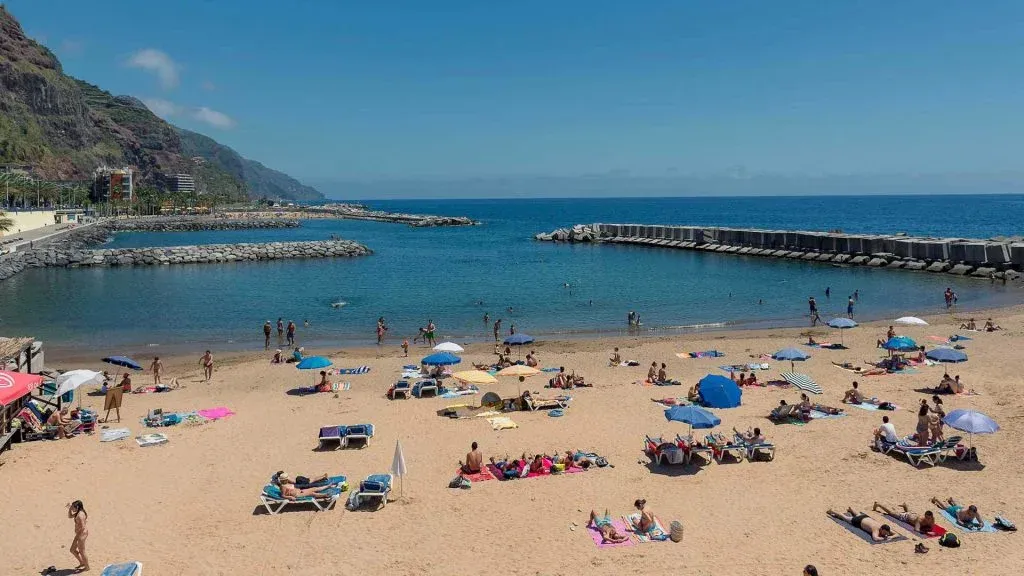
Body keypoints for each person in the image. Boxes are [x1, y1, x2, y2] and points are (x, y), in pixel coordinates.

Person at [827, 507, 892, 542]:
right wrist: (884, 538)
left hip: (865, 517)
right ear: (881, 529)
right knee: (844, 517)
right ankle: (832, 511)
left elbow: (896, 534)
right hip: (858, 521)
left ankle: (851, 509)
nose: (885, 534)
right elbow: (875, 538)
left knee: (858, 514)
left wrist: (889, 536)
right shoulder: (876, 529)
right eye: (884, 533)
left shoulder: (882, 526)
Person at [67, 500, 89, 572]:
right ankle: (82, 562)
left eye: (73, 507)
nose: (72, 508)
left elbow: (82, 527)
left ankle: (87, 567)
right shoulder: (78, 513)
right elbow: (70, 516)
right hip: (79, 534)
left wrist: (78, 537)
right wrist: (70, 509)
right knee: (72, 550)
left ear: (77, 507)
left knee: (82, 551)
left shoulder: (80, 515)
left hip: (82, 534)